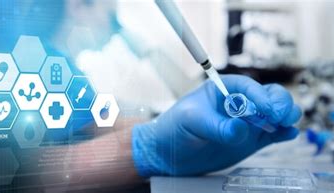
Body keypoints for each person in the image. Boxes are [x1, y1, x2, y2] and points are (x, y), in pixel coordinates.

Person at [18, 0, 302, 188]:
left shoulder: (57, 66)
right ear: (78, 5)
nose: (117, 28)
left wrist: (180, 123)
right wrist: (151, 146)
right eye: (113, 17)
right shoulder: (40, 63)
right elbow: (12, 173)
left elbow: (103, 123)